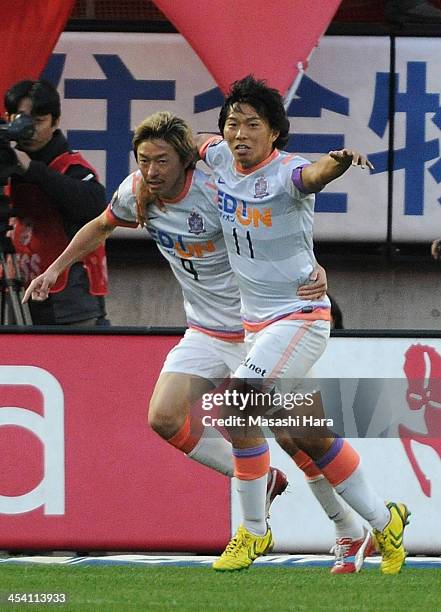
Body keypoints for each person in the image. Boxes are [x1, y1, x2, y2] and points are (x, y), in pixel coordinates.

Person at [24, 111, 370, 574]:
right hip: (204, 331)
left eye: (161, 160)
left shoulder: (215, 190)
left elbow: (276, 227)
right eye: (144, 160)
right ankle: (259, 480)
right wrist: (57, 268)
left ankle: (347, 528)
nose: (151, 170)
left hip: (260, 331)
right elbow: (100, 224)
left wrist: (314, 268)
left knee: (295, 435)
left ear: (186, 161)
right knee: (163, 417)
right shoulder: (137, 193)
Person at [197, 75, 409, 574]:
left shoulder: (287, 171)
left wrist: (338, 161)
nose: (240, 133)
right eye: (233, 123)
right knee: (301, 434)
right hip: (256, 325)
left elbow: (312, 177)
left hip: (299, 317)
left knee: (235, 404)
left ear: (274, 133)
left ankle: (252, 531)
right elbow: (185, 142)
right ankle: (382, 522)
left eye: (253, 125)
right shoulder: (217, 155)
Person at [3, 79, 108, 325]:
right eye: (20, 118)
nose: (29, 128)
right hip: (18, 282)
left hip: (68, 296)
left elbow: (94, 207)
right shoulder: (7, 161)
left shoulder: (71, 166)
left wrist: (32, 169)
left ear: (55, 122)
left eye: (39, 121)